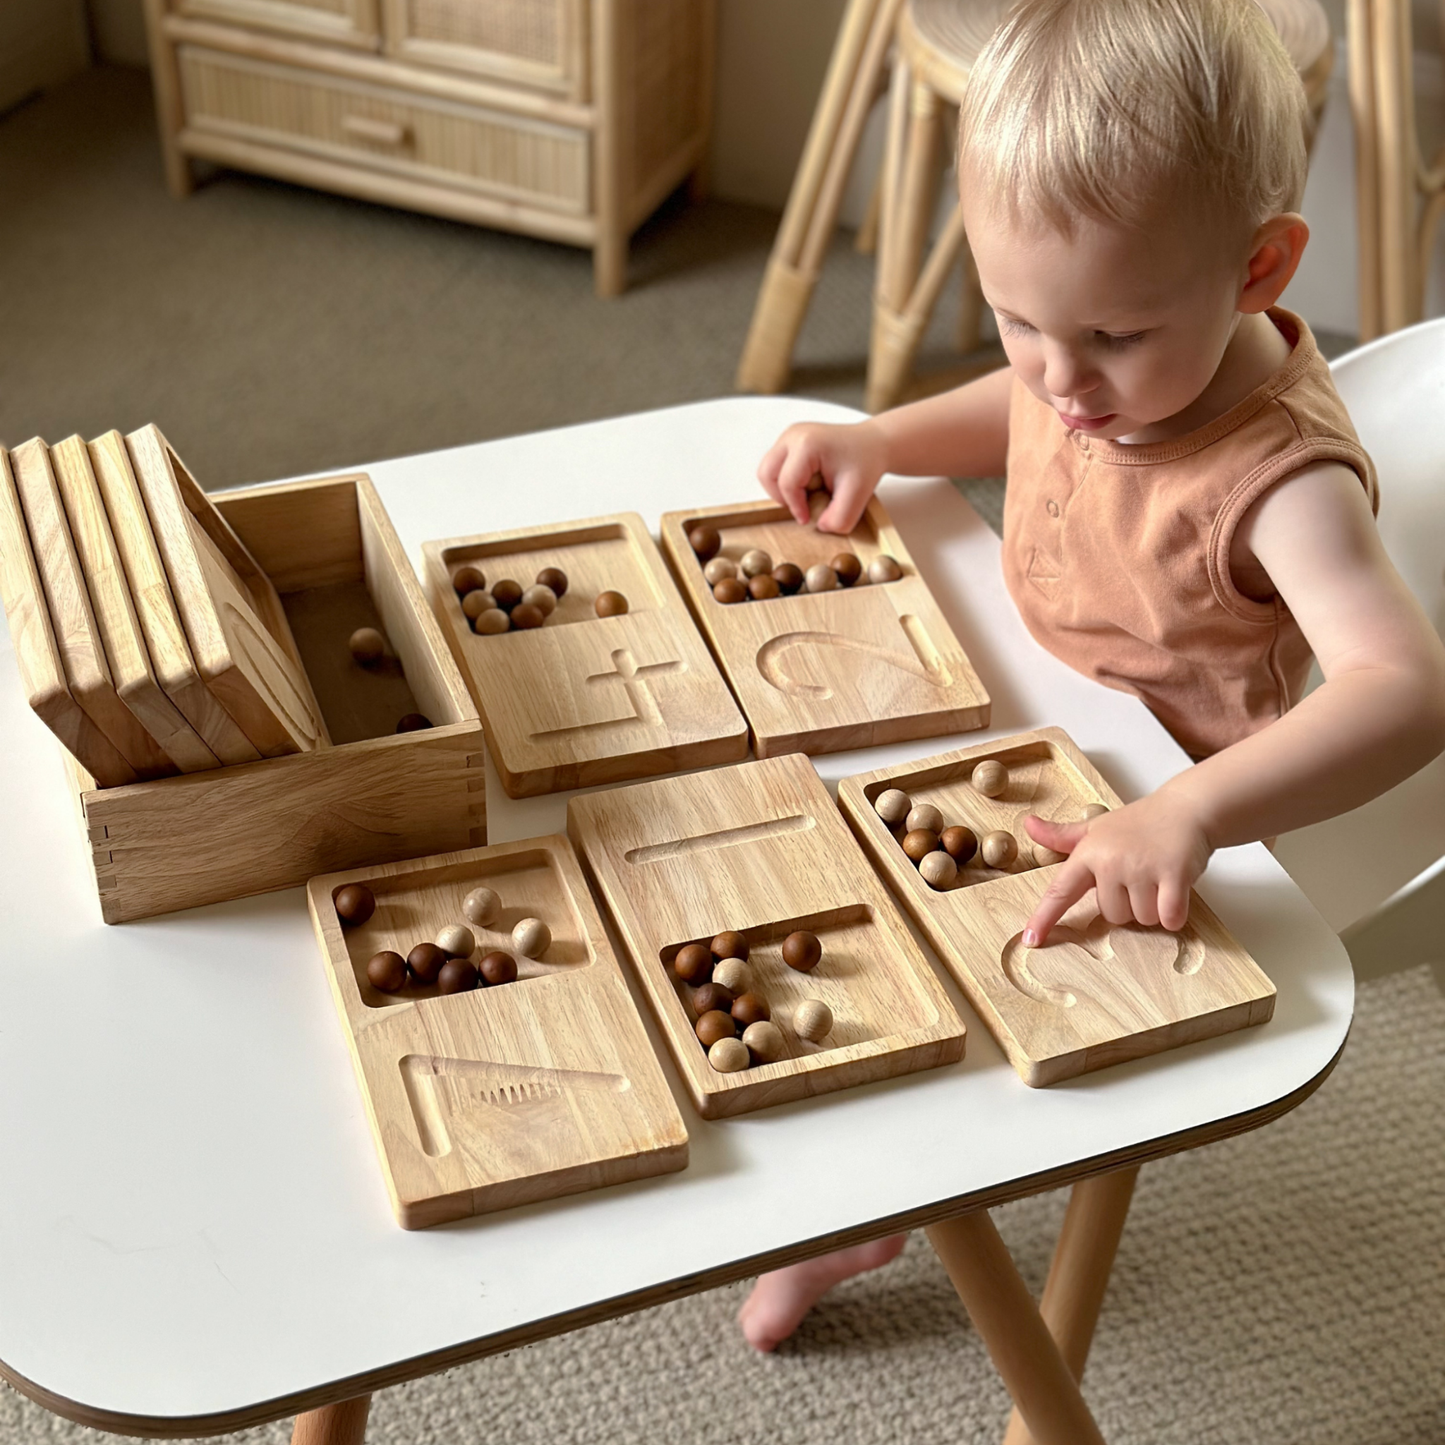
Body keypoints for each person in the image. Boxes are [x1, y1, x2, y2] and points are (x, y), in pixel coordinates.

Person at [738, 0, 1445, 1353]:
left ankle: (881, 1204)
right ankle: (869, 1180)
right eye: (1017, 320)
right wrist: (887, 436)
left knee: (921, 973)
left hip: (1155, 809)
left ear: (1260, 270)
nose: (1061, 381)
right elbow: (1017, 414)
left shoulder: (1280, 481)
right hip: (1024, 698)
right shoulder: (1085, 357)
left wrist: (1185, 815)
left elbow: (1404, 689)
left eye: (1113, 338)